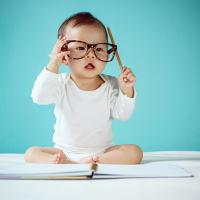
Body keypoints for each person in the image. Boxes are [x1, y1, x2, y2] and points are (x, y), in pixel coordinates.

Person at [24, 12, 143, 164]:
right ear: (64, 54)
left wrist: (126, 90)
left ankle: (96, 160)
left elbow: (123, 115)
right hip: (64, 152)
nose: (91, 55)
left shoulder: (112, 84)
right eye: (81, 48)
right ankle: (61, 161)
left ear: (107, 55)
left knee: (135, 152)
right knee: (31, 153)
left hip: (102, 151)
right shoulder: (60, 83)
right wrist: (54, 63)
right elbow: (39, 97)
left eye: (99, 49)